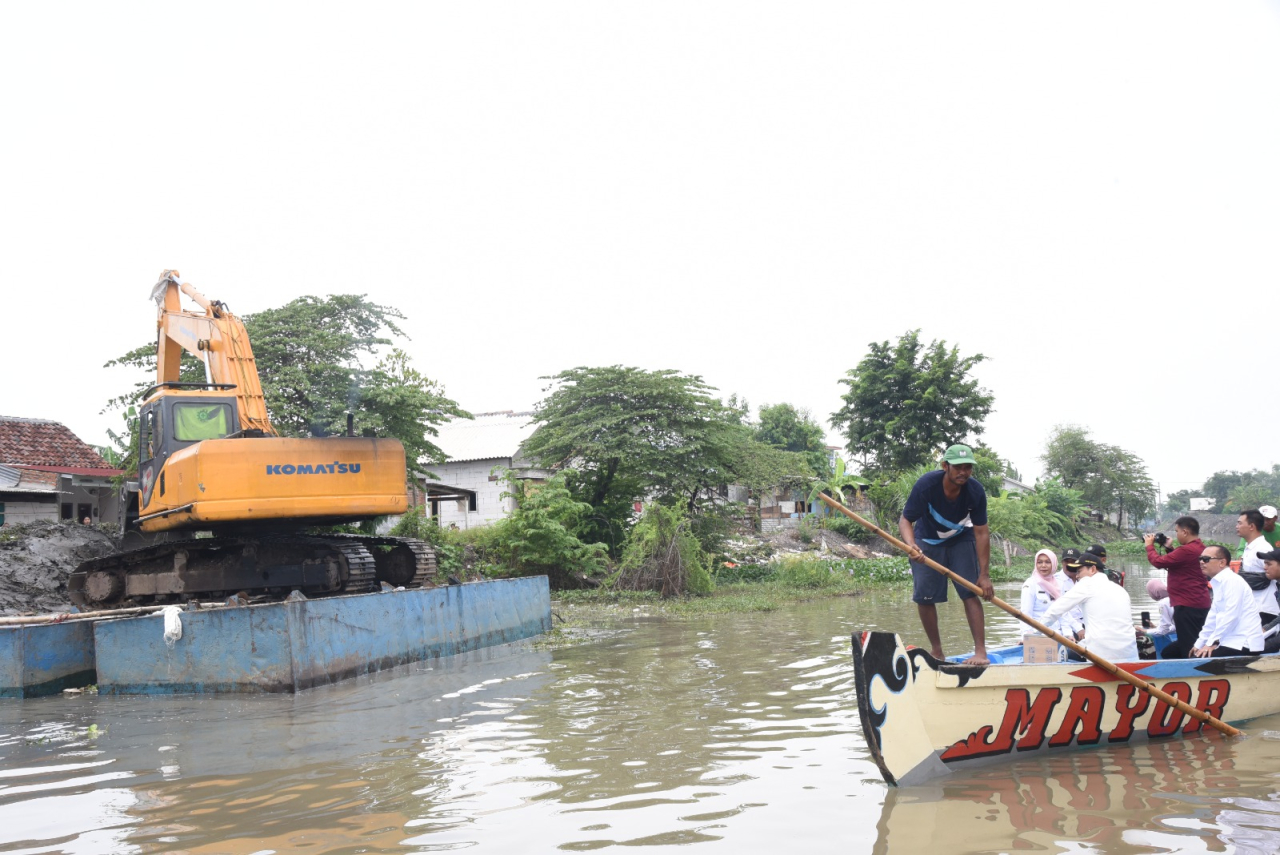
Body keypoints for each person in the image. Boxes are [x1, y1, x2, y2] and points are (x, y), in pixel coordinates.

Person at [898, 444, 994, 665]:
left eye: (968, 467)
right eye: (958, 467)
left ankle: (980, 652)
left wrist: (985, 574)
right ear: (945, 466)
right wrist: (911, 545)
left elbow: (981, 532)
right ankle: (937, 651)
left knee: (970, 591)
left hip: (962, 539)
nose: (963, 472)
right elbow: (906, 520)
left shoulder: (975, 491)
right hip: (927, 541)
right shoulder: (926, 486)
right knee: (924, 596)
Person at [1042, 552, 1139, 661]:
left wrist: (1032, 634)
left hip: (1102, 656)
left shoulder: (1086, 584)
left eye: (1079, 571)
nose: (1077, 576)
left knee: (1065, 654)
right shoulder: (1120, 590)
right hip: (1130, 655)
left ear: (1092, 569)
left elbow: (1055, 611)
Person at [1143, 516, 1211, 658]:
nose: (1176, 534)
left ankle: (1195, 673)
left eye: (1177, 531)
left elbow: (1158, 562)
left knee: (1189, 647)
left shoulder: (1187, 550)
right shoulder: (1199, 547)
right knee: (1171, 652)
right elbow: (1179, 563)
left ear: (1185, 532)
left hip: (1187, 606)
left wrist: (1149, 546)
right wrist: (1169, 548)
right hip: (1197, 603)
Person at [1190, 545, 1265, 657]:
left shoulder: (1232, 581)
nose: (1201, 562)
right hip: (1230, 640)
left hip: (1244, 642)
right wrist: (1199, 643)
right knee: (1188, 653)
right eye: (1199, 559)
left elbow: (1231, 615)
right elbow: (1212, 618)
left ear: (1222, 562)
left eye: (1206, 559)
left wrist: (1212, 642)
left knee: (1201, 657)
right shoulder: (1218, 583)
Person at [1237, 509, 1278, 623]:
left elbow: (1276, 574)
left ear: (1251, 526)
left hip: (1264, 608)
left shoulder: (1262, 548)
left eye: (1240, 523)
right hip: (1253, 607)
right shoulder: (1249, 547)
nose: (1237, 526)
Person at [1019, 549, 1065, 637]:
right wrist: (1026, 636)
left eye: (1048, 562)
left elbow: (1063, 613)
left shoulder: (1059, 584)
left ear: (1054, 564)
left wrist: (1068, 634)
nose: (1043, 566)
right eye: (1039, 562)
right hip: (1038, 635)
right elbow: (1026, 613)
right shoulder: (1030, 584)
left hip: (1058, 635)